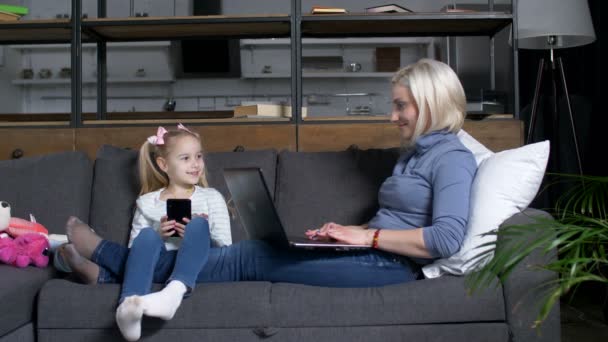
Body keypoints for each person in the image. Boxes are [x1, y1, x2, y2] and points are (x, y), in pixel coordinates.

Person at [63, 59, 477, 342]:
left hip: (389, 267)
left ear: (431, 103)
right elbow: (400, 219)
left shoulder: (453, 158)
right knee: (262, 250)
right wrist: (344, 234)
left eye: (401, 106)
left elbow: (446, 239)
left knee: (252, 257)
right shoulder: (419, 154)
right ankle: (107, 268)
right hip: (371, 253)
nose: (392, 116)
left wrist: (367, 238)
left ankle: (107, 261)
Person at [59, 123, 231, 341]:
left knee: (198, 227)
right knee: (148, 236)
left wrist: (199, 235)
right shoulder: (148, 203)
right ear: (163, 164)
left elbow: (226, 250)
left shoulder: (211, 198)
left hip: (197, 267)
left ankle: (100, 260)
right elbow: (136, 253)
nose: (196, 164)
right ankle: (128, 306)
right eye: (185, 158)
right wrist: (160, 234)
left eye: (198, 156)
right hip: (153, 261)